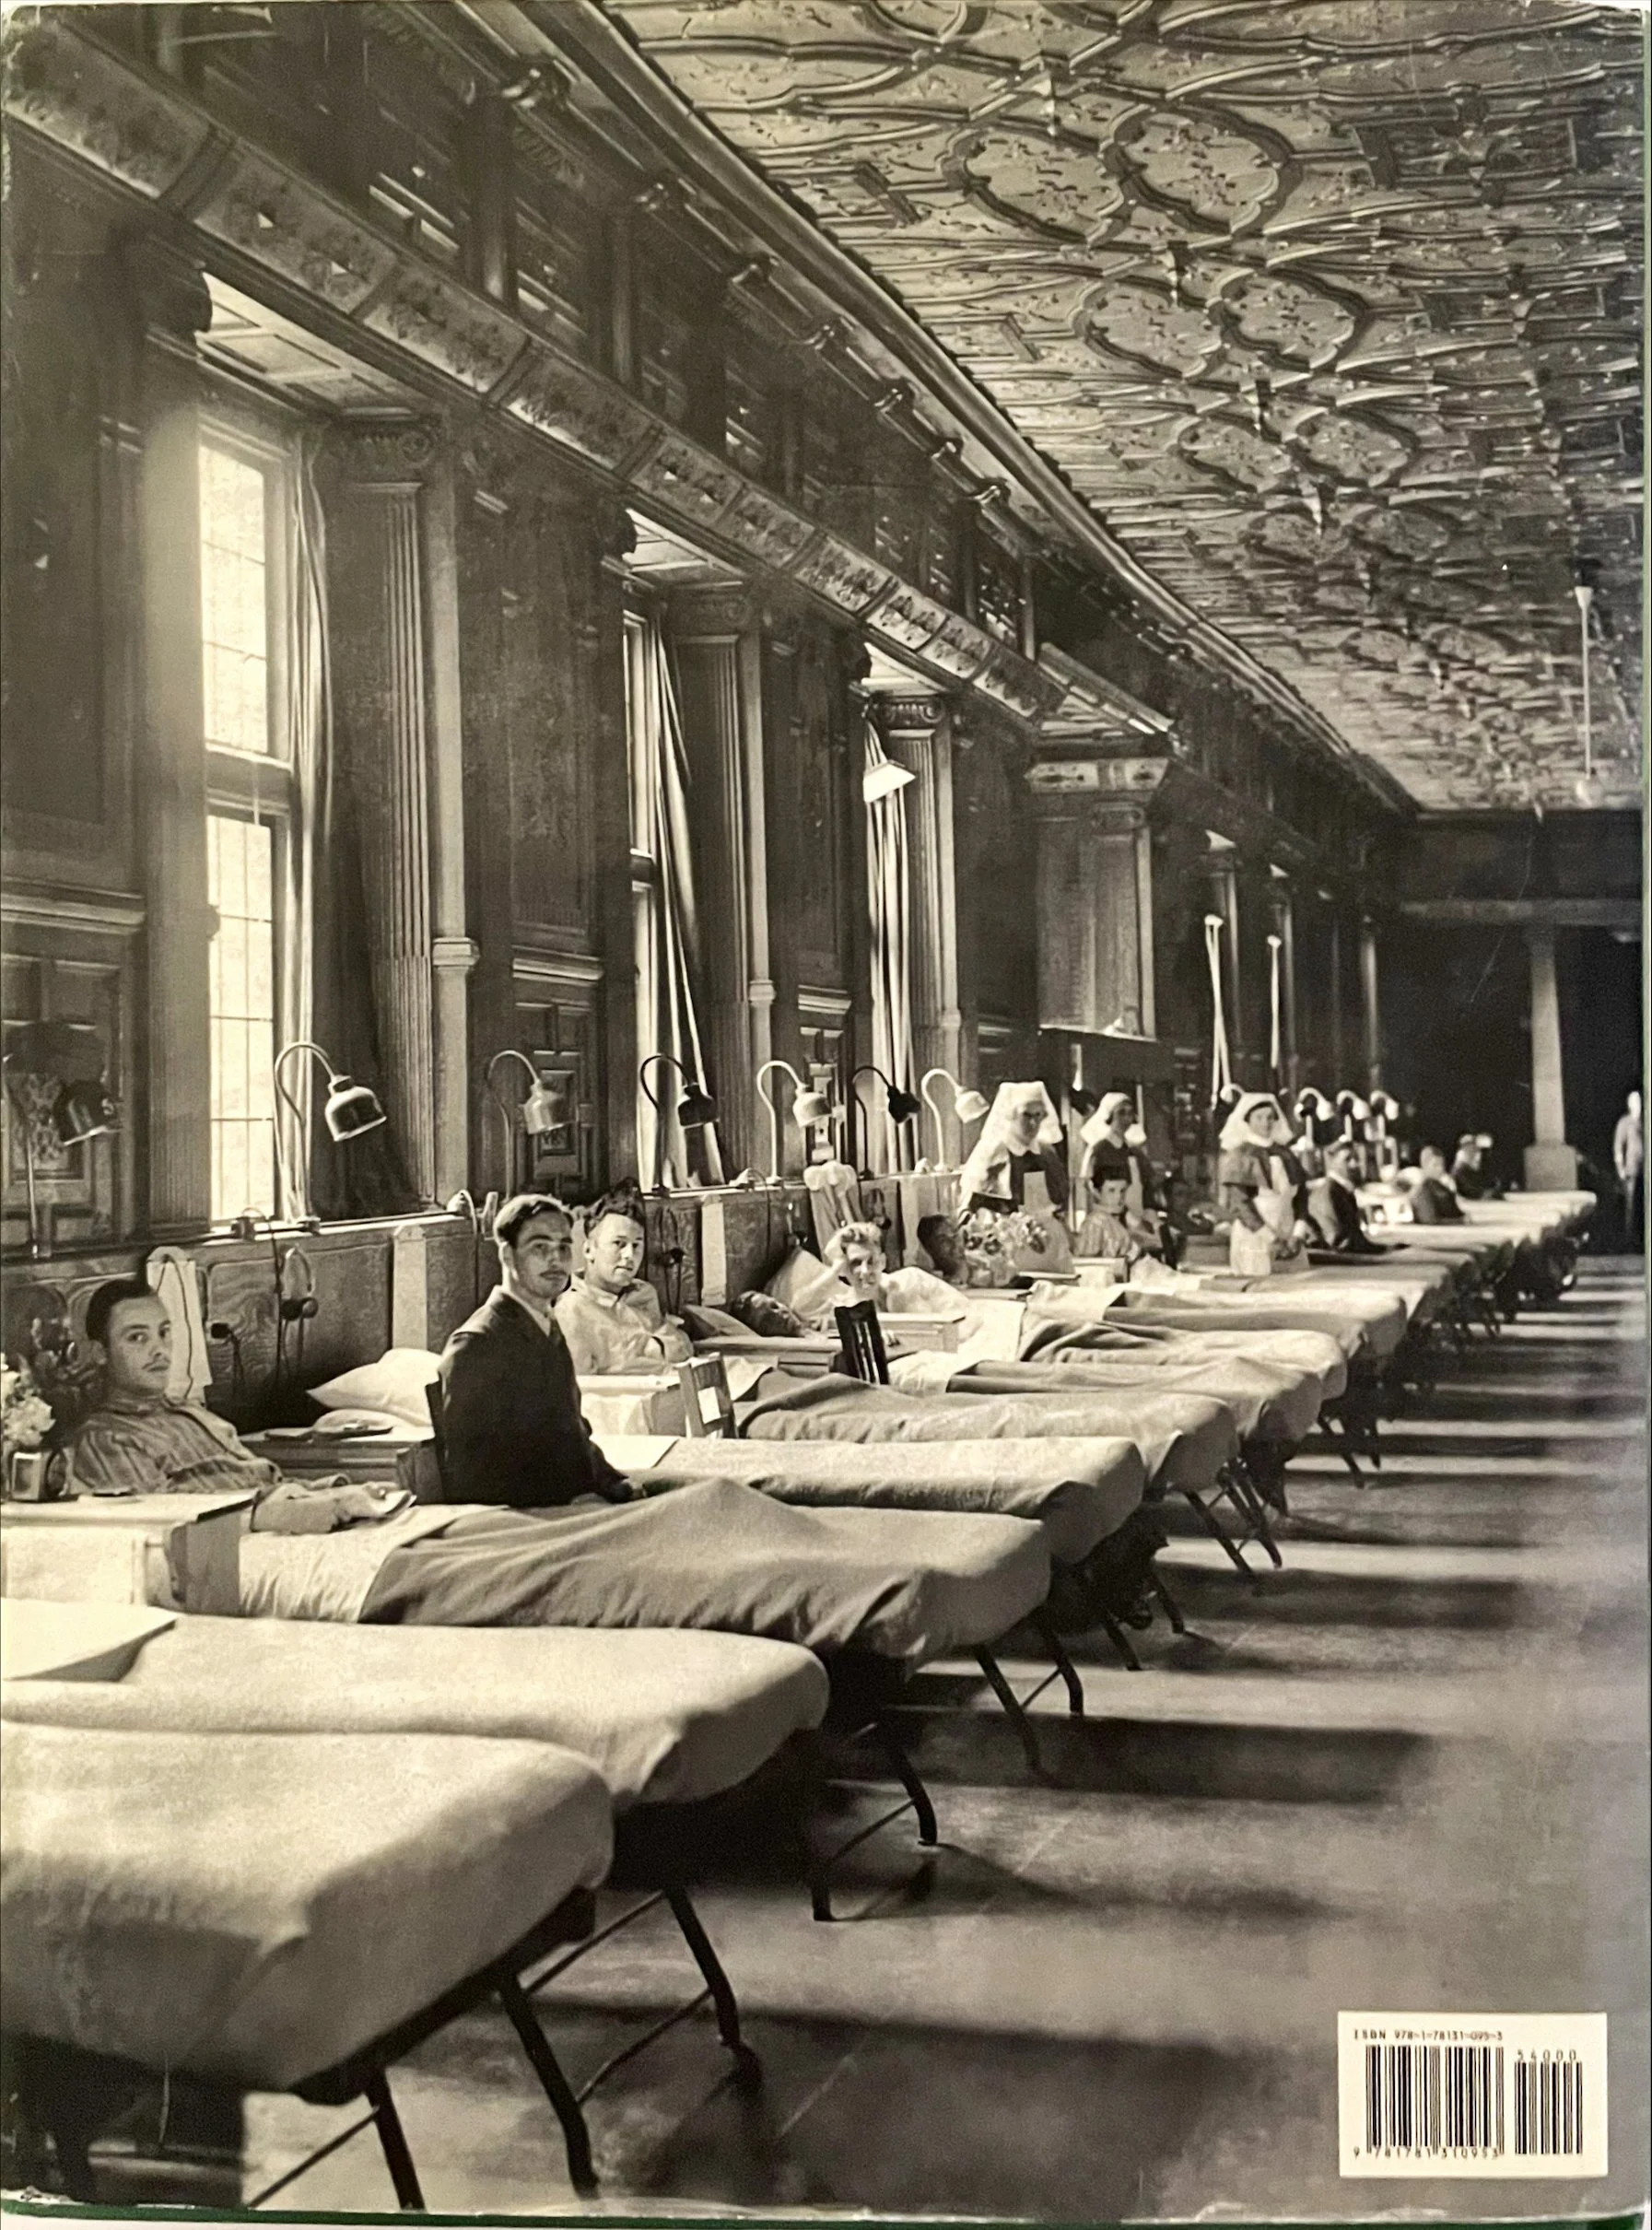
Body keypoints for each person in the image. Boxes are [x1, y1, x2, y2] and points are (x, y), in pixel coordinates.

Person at [65, 1280, 416, 1535]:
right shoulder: (105, 1439)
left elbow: (265, 1482)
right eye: (137, 1338)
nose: (159, 1349)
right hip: (243, 1548)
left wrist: (334, 1491)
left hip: (293, 1519)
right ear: (99, 1353)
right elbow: (165, 1525)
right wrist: (291, 1512)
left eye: (164, 1332)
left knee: (444, 1534)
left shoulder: (191, 1413)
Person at [438, 1194, 636, 1507]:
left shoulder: (547, 1326)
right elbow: (474, 1477)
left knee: (704, 1488)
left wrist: (615, 1483)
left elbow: (573, 1438)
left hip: (575, 1497)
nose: (555, 1260)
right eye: (540, 1247)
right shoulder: (477, 1343)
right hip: (526, 1516)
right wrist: (574, 1499)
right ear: (507, 1255)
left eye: (563, 1247)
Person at [553, 1188, 694, 1375]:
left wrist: (651, 1350)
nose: (629, 1255)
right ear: (588, 1251)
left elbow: (682, 1348)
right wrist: (654, 1350)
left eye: (636, 1245)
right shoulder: (571, 1311)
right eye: (619, 1244)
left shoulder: (644, 1293)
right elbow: (582, 1385)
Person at [1217, 1092, 1316, 1272]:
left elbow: (1301, 1197)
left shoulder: (1286, 1154)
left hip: (1289, 1233)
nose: (1266, 1123)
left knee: (1295, 1285)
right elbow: (1241, 1204)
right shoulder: (1240, 1156)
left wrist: (1298, 1234)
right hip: (1255, 1235)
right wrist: (1271, 1239)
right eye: (1259, 1117)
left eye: (1270, 1117)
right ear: (1248, 1120)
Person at [1307, 1141, 1387, 1254]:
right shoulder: (1330, 1191)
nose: (1354, 1164)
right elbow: (1339, 1239)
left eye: (1356, 1159)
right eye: (1347, 1159)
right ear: (1332, 1162)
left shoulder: (1341, 1190)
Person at [1074, 1173, 1156, 1266]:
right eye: (1111, 1191)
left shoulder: (1124, 1218)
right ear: (1097, 1193)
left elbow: (1152, 1242)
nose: (1118, 1197)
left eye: (1122, 1191)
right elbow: (1086, 1264)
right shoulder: (1095, 1222)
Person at [1613, 1089, 1643, 1250]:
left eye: (1639, 1101)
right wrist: (1620, 1168)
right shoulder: (1625, 1123)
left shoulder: (1644, 1121)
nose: (1637, 1104)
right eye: (1634, 1101)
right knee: (1630, 1206)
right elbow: (1618, 1146)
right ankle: (1629, 1240)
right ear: (1629, 1104)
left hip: (1645, 1170)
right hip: (1631, 1170)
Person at [1406, 1145, 1465, 1224]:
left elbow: (1456, 1212)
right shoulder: (1422, 1191)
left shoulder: (1443, 1188)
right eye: (1435, 1165)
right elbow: (1430, 1220)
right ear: (1425, 1166)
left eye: (1442, 1165)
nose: (1440, 1168)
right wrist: (1460, 1221)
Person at [1449, 1133, 1499, 1201]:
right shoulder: (1460, 1169)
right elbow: (1471, 1192)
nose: (1474, 1151)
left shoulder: (1478, 1164)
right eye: (1470, 1147)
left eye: (1474, 1147)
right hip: (1467, 1198)